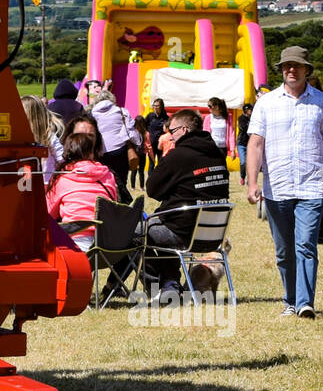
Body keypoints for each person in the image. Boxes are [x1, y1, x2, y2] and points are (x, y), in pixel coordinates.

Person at [246, 45, 323, 319]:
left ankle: (304, 303)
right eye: (286, 65)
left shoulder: (322, 102)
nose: (291, 70)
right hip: (278, 188)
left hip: (313, 186)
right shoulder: (266, 102)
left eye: (296, 65)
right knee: (284, 250)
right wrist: (252, 183)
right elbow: (255, 143)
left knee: (306, 245)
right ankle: (289, 300)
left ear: (307, 70)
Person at [139, 109, 230, 291]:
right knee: (165, 226)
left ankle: (156, 285)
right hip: (214, 235)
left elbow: (152, 189)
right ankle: (170, 282)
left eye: (172, 131)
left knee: (136, 232)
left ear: (184, 130)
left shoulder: (178, 156)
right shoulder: (218, 155)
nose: (170, 137)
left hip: (183, 233)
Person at [46, 131, 117, 251]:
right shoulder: (108, 175)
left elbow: (48, 213)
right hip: (108, 244)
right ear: (91, 152)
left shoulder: (62, 178)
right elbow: (113, 202)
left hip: (74, 243)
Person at [87, 85, 143, 205]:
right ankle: (122, 202)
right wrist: (137, 143)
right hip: (120, 151)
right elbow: (131, 131)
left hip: (100, 153)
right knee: (121, 179)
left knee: (104, 180)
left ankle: (108, 201)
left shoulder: (92, 114)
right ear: (112, 99)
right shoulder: (122, 111)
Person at [21, 94, 63, 182]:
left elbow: (62, 159)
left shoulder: (49, 137)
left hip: (47, 185)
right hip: (26, 183)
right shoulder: (20, 138)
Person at [235, 101, 252, 186]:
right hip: (241, 143)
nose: (251, 111)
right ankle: (242, 177)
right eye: (249, 110)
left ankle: (250, 180)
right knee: (243, 162)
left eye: (251, 109)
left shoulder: (253, 118)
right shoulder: (241, 118)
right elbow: (243, 128)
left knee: (250, 162)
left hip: (250, 143)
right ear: (245, 110)